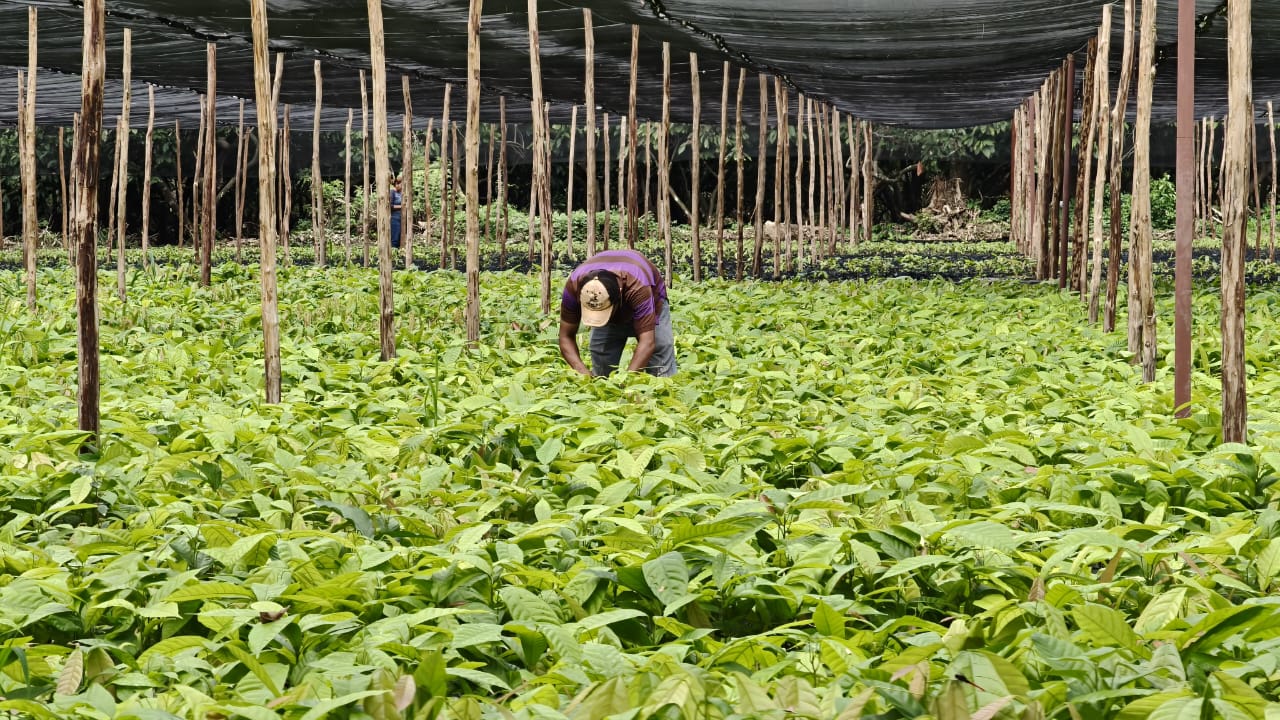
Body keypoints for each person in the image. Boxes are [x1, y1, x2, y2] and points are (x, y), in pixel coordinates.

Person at [558, 249, 677, 377]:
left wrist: (627, 381)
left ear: (618, 297)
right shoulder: (574, 285)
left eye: (603, 310)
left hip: (649, 296)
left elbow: (647, 342)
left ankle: (661, 388)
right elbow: (565, 336)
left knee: (660, 352)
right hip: (617, 294)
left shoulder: (638, 286)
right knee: (601, 352)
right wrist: (583, 373)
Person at [389, 175, 403, 249]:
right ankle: (393, 255)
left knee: (400, 237)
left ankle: (398, 255)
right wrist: (401, 206)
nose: (397, 185)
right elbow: (390, 206)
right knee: (395, 238)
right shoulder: (392, 192)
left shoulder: (402, 193)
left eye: (399, 183)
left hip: (402, 218)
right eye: (396, 184)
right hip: (395, 218)